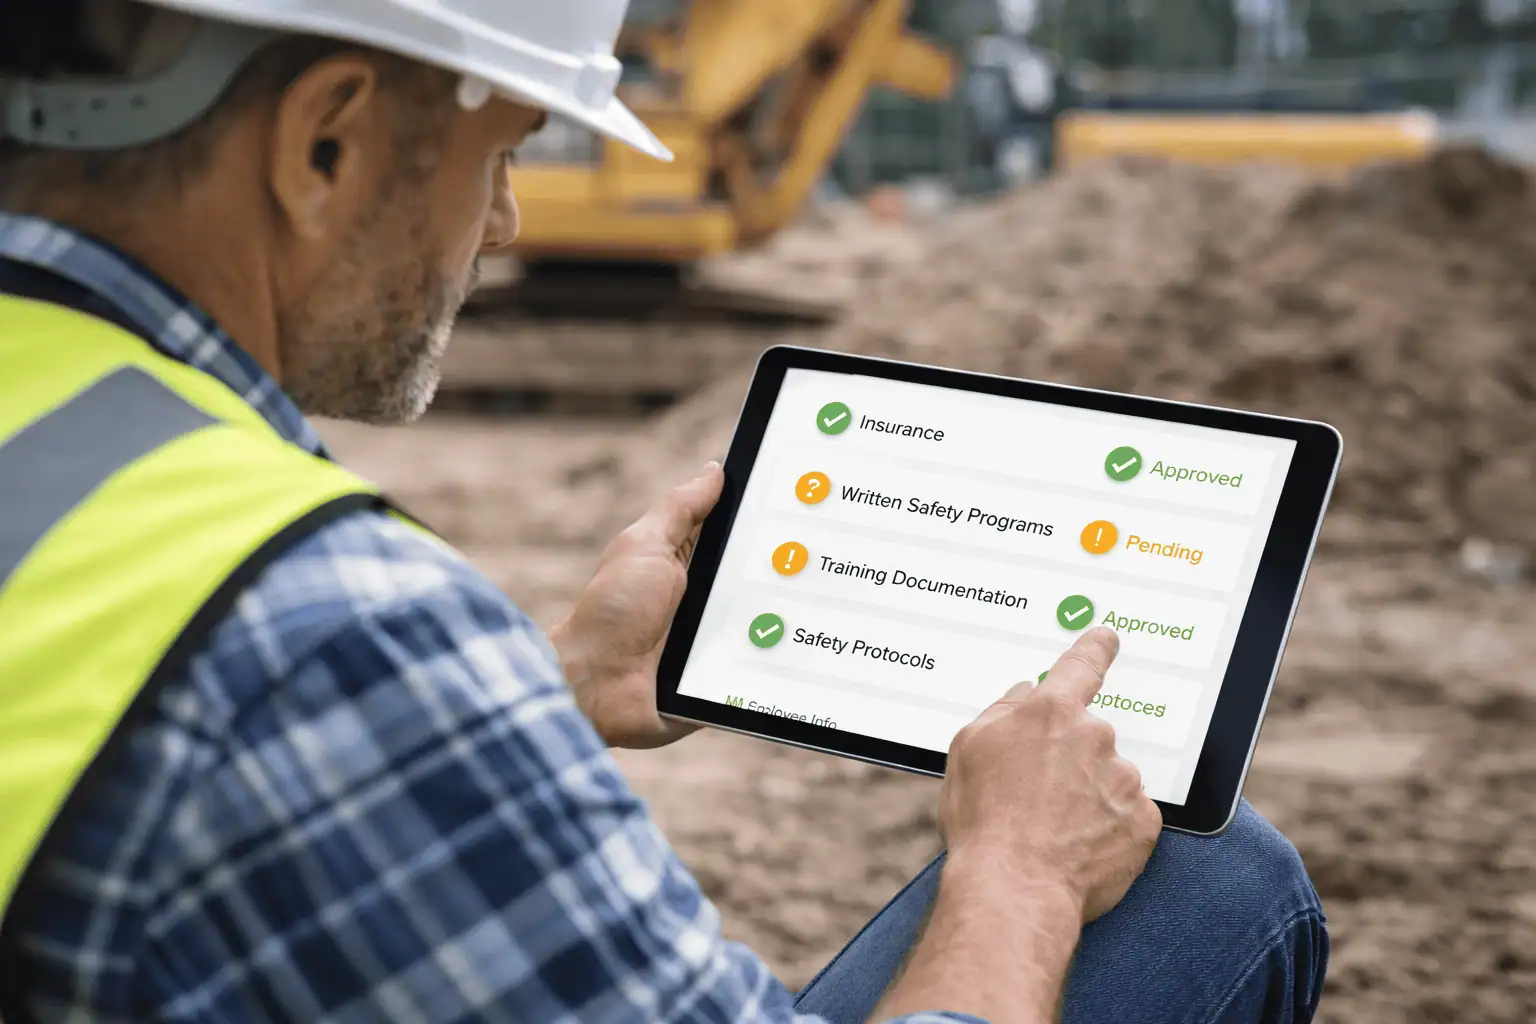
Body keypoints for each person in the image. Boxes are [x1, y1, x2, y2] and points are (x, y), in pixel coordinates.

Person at [0, 2, 1328, 1021]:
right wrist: (1021, 878)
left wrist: (547, 689)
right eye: (508, 147)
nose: (506, 223)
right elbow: (277, 696)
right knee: (1216, 878)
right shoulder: (332, 631)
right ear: (325, 139)